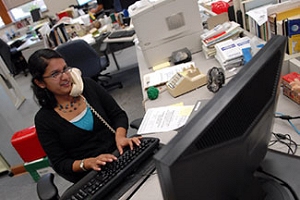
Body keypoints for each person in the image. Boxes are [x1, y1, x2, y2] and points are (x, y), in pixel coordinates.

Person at [28, 48, 142, 183]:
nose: (65, 77)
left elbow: (118, 115)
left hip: (120, 154)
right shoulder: (44, 120)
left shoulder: (88, 87)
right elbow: (60, 163)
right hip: (92, 175)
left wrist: (120, 137)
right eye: (55, 74)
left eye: (65, 69)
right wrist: (87, 163)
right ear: (40, 83)